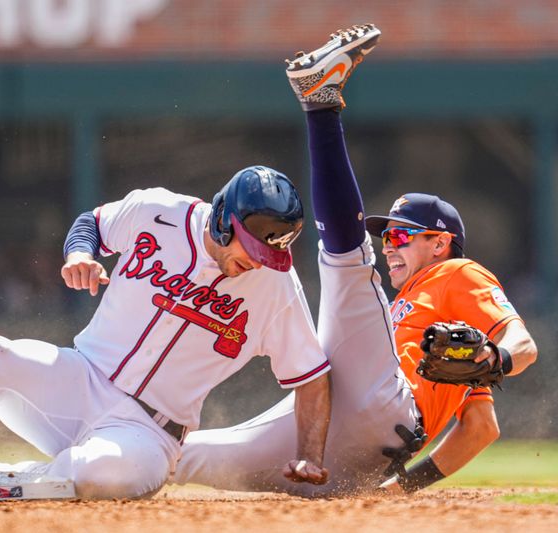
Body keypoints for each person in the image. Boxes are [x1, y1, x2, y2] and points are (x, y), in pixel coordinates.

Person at [0, 166, 333, 499]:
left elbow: (310, 377)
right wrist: (80, 253)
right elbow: (92, 222)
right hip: (77, 380)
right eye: (254, 248)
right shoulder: (158, 213)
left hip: (148, 432)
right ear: (220, 220)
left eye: (274, 252)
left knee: (101, 477)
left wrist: (310, 453)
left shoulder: (275, 290)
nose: (261, 263)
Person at [172, 23, 538, 496]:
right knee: (178, 457)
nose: (390, 243)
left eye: (403, 234)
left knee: (347, 262)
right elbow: (480, 427)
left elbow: (523, 343)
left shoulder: (456, 274)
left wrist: (497, 357)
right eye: (386, 235)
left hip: (385, 409)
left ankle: (320, 104)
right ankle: (76, 459)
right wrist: (398, 489)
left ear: (440, 243)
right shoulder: (421, 319)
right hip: (334, 440)